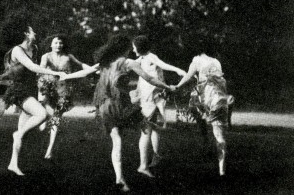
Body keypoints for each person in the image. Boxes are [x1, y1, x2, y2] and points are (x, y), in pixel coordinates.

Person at [62, 34, 176, 192]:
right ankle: (143, 166)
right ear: (125, 48)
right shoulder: (129, 62)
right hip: (121, 105)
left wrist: (66, 76)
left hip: (104, 106)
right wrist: (168, 87)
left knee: (117, 140)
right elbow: (149, 78)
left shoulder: (104, 63)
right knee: (146, 129)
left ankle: (119, 178)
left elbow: (85, 72)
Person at [0, 19, 67, 176]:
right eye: (32, 31)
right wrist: (55, 73)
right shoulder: (17, 50)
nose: (35, 33)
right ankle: (18, 135)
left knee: (22, 131)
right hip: (18, 91)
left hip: (30, 90)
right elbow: (32, 67)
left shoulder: (35, 48)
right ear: (25, 33)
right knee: (41, 114)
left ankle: (13, 164)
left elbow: (37, 71)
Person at [175, 38, 233, 177]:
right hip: (220, 100)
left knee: (193, 106)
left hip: (206, 99)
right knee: (220, 137)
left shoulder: (196, 60)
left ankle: (204, 138)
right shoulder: (216, 62)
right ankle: (222, 170)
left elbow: (188, 77)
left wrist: (176, 87)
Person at [132, 35, 186, 177]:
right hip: (149, 96)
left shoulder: (150, 56)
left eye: (134, 47)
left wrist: (177, 70)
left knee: (148, 129)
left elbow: (162, 65)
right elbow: (129, 65)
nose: (132, 49)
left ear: (139, 47)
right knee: (153, 127)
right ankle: (153, 157)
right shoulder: (141, 59)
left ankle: (145, 163)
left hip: (152, 97)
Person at [37, 34, 91, 159]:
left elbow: (81, 64)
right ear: (50, 44)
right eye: (55, 43)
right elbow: (40, 72)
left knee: (56, 118)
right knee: (49, 112)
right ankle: (45, 118)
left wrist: (93, 69)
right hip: (49, 89)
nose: (58, 45)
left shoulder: (68, 56)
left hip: (64, 90)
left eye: (60, 43)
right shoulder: (46, 56)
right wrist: (42, 91)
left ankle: (49, 149)